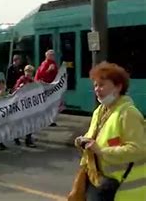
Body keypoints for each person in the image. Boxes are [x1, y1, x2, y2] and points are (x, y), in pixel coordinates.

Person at [69, 62, 146, 201]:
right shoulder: (100, 111)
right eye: (95, 85)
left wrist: (101, 151)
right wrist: (82, 141)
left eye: (102, 85)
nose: (97, 89)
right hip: (98, 182)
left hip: (123, 191)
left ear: (118, 87)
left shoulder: (128, 113)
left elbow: (139, 150)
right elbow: (94, 137)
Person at [13, 65, 36, 148]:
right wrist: (19, 87)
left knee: (30, 123)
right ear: (25, 71)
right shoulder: (22, 79)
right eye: (27, 71)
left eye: (30, 71)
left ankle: (28, 140)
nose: (29, 73)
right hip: (21, 104)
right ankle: (16, 136)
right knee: (20, 122)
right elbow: (15, 89)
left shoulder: (32, 81)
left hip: (29, 104)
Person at [35, 49, 59, 127]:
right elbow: (41, 75)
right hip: (45, 86)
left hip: (52, 86)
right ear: (47, 55)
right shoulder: (45, 63)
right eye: (51, 54)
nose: (53, 56)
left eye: (53, 54)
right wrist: (48, 70)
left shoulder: (53, 63)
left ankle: (50, 120)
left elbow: (56, 74)